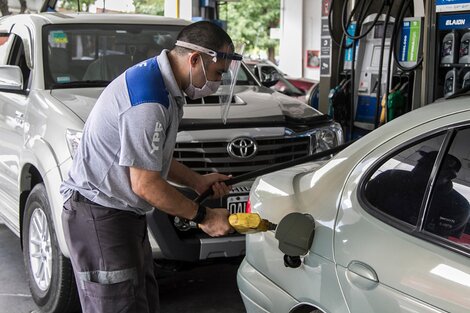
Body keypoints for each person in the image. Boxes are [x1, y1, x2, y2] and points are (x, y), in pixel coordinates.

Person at [60, 21, 240, 313]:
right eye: (218, 72)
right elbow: (144, 183)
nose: (218, 82)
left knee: (141, 301)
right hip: (101, 216)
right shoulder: (149, 100)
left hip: (122, 216)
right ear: (195, 59)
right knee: (120, 306)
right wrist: (204, 216)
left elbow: (147, 158)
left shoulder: (162, 86)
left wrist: (196, 181)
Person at [365, 150, 470, 238]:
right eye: (420, 164)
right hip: (369, 231)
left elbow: (441, 241)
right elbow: (362, 201)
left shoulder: (458, 206)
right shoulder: (390, 178)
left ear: (449, 176)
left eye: (428, 167)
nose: (417, 169)